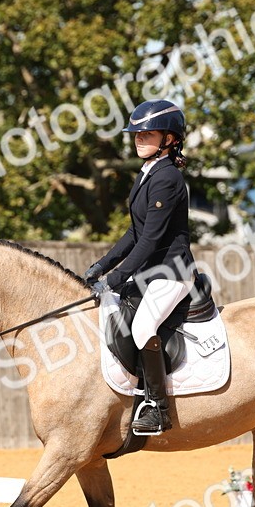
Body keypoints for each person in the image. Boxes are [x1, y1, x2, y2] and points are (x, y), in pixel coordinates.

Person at [84, 98, 196, 434]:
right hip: (151, 272)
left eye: (147, 134)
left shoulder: (167, 179)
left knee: (143, 327)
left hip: (172, 272)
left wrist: (114, 278)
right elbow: (134, 232)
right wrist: (101, 265)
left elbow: (150, 240)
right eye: (136, 134)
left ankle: (158, 409)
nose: (138, 139)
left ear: (170, 138)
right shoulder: (148, 173)